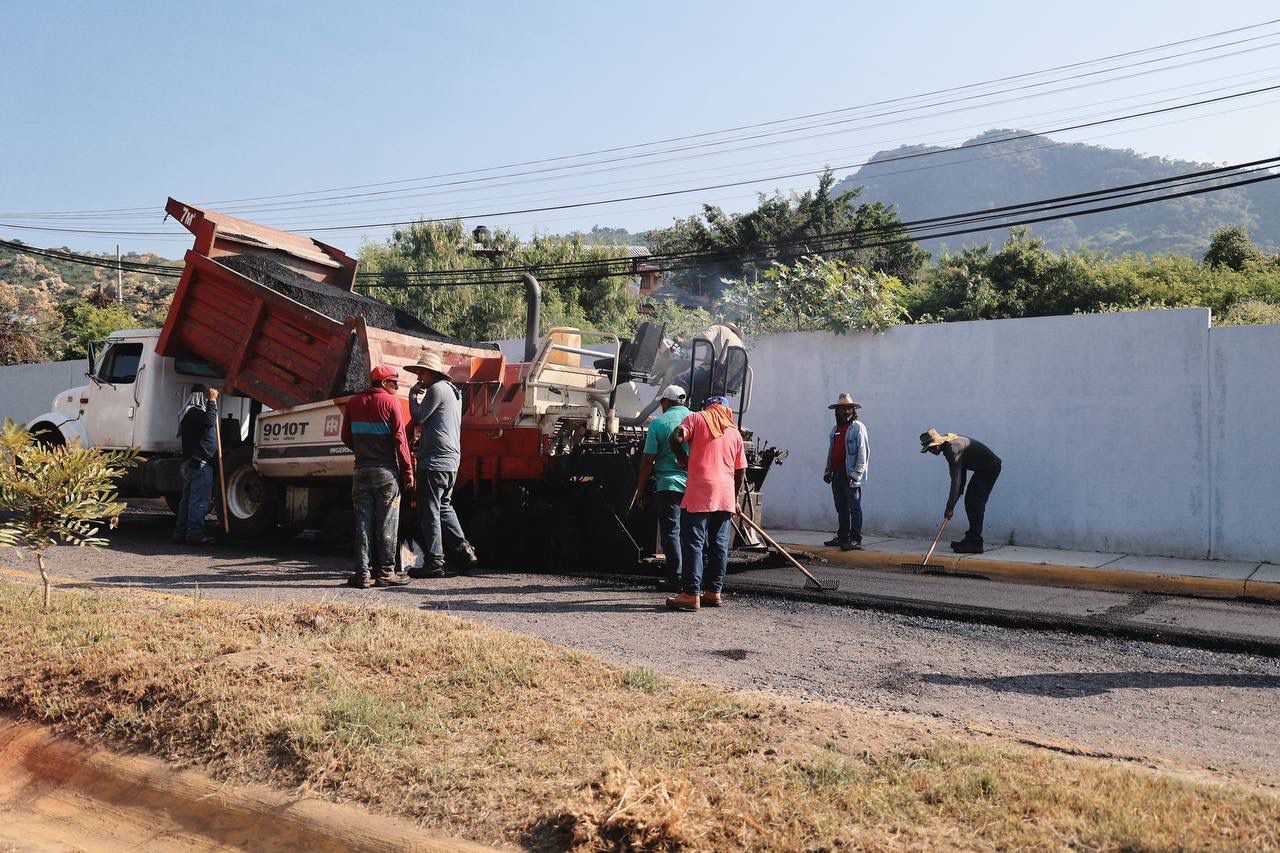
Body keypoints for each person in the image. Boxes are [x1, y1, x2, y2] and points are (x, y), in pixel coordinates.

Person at [665, 395, 747, 611]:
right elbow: (741, 470)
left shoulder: (697, 418)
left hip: (701, 490)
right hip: (725, 493)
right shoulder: (734, 432)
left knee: (694, 542)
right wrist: (735, 497)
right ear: (727, 410)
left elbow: (675, 437)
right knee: (719, 544)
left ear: (709, 406)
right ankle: (713, 592)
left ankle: (691, 594)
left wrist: (682, 457)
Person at [341, 365, 414, 588]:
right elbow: (400, 441)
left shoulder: (353, 402)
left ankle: (362, 574)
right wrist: (408, 471)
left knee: (363, 523)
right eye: (394, 384)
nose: (396, 388)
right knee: (387, 523)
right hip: (386, 473)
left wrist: (363, 452)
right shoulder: (391, 403)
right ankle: (385, 573)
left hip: (361, 471)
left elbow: (345, 437)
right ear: (383, 383)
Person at [406, 350, 477, 578]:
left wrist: (412, 396)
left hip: (434, 460)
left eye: (420, 373)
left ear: (430, 372)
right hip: (451, 460)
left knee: (430, 511)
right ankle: (465, 552)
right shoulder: (454, 392)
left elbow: (418, 417)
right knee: (445, 506)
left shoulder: (436, 389)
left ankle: (435, 562)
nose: (418, 377)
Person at [631, 385, 691, 590]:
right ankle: (693, 580)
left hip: (669, 485)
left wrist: (640, 490)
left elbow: (647, 461)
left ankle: (676, 579)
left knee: (671, 532)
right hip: (694, 485)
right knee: (691, 532)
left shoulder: (658, 424)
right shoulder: (696, 419)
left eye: (661, 403)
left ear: (666, 402)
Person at [920, 428, 1002, 554]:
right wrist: (956, 496)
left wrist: (949, 507)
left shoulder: (952, 450)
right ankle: (971, 538)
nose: (931, 451)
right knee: (971, 501)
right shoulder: (950, 445)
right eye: (928, 450)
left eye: (931, 448)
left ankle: (975, 543)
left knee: (974, 502)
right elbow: (961, 476)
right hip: (983, 469)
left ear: (938, 444)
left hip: (990, 468)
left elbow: (956, 481)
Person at [173, 384, 219, 546]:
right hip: (199, 462)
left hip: (191, 462)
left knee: (188, 499)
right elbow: (209, 421)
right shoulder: (194, 412)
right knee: (198, 500)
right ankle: (194, 534)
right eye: (205, 397)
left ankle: (181, 532)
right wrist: (212, 402)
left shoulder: (189, 413)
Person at [822, 392, 868, 551]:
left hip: (850, 474)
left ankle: (856, 539)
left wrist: (856, 473)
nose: (846, 412)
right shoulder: (835, 429)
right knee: (841, 507)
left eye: (849, 409)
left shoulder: (858, 428)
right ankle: (843, 537)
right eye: (843, 409)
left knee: (854, 507)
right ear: (838, 411)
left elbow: (863, 452)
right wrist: (828, 471)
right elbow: (831, 451)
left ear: (853, 411)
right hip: (837, 473)